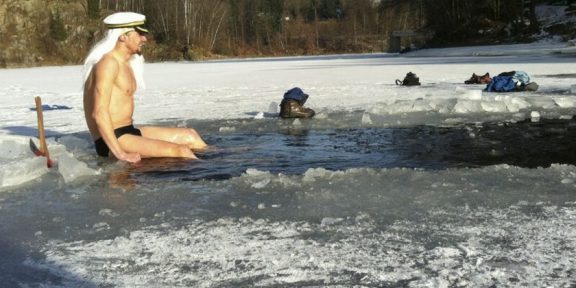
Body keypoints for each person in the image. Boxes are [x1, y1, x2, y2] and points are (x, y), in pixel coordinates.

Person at [83, 12, 207, 163]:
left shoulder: (125, 63)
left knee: (190, 136)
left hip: (128, 131)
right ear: (123, 36)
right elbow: (99, 113)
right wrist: (121, 154)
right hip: (112, 139)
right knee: (181, 151)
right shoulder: (108, 63)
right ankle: (208, 177)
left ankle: (221, 164)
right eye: (139, 34)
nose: (144, 39)